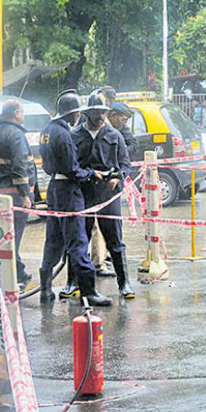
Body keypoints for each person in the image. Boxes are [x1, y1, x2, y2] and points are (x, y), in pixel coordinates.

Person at [38, 89, 111, 306]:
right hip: (68, 190)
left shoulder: (46, 131)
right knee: (78, 240)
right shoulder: (64, 134)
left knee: (53, 239)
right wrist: (91, 173)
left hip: (54, 188)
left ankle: (45, 289)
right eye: (77, 113)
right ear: (71, 113)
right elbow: (72, 169)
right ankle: (89, 292)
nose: (78, 116)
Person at [72, 91, 135, 300]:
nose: (100, 116)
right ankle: (73, 283)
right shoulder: (75, 135)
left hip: (109, 194)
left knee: (115, 240)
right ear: (87, 113)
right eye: (96, 112)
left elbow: (125, 164)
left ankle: (124, 283)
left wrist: (118, 178)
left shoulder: (114, 135)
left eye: (103, 112)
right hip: (85, 194)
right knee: (80, 239)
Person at [0, 99, 35, 288]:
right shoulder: (17, 135)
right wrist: (25, 195)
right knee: (14, 237)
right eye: (22, 112)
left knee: (4, 236)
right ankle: (13, 278)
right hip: (16, 195)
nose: (23, 115)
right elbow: (20, 166)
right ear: (16, 113)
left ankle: (18, 270)